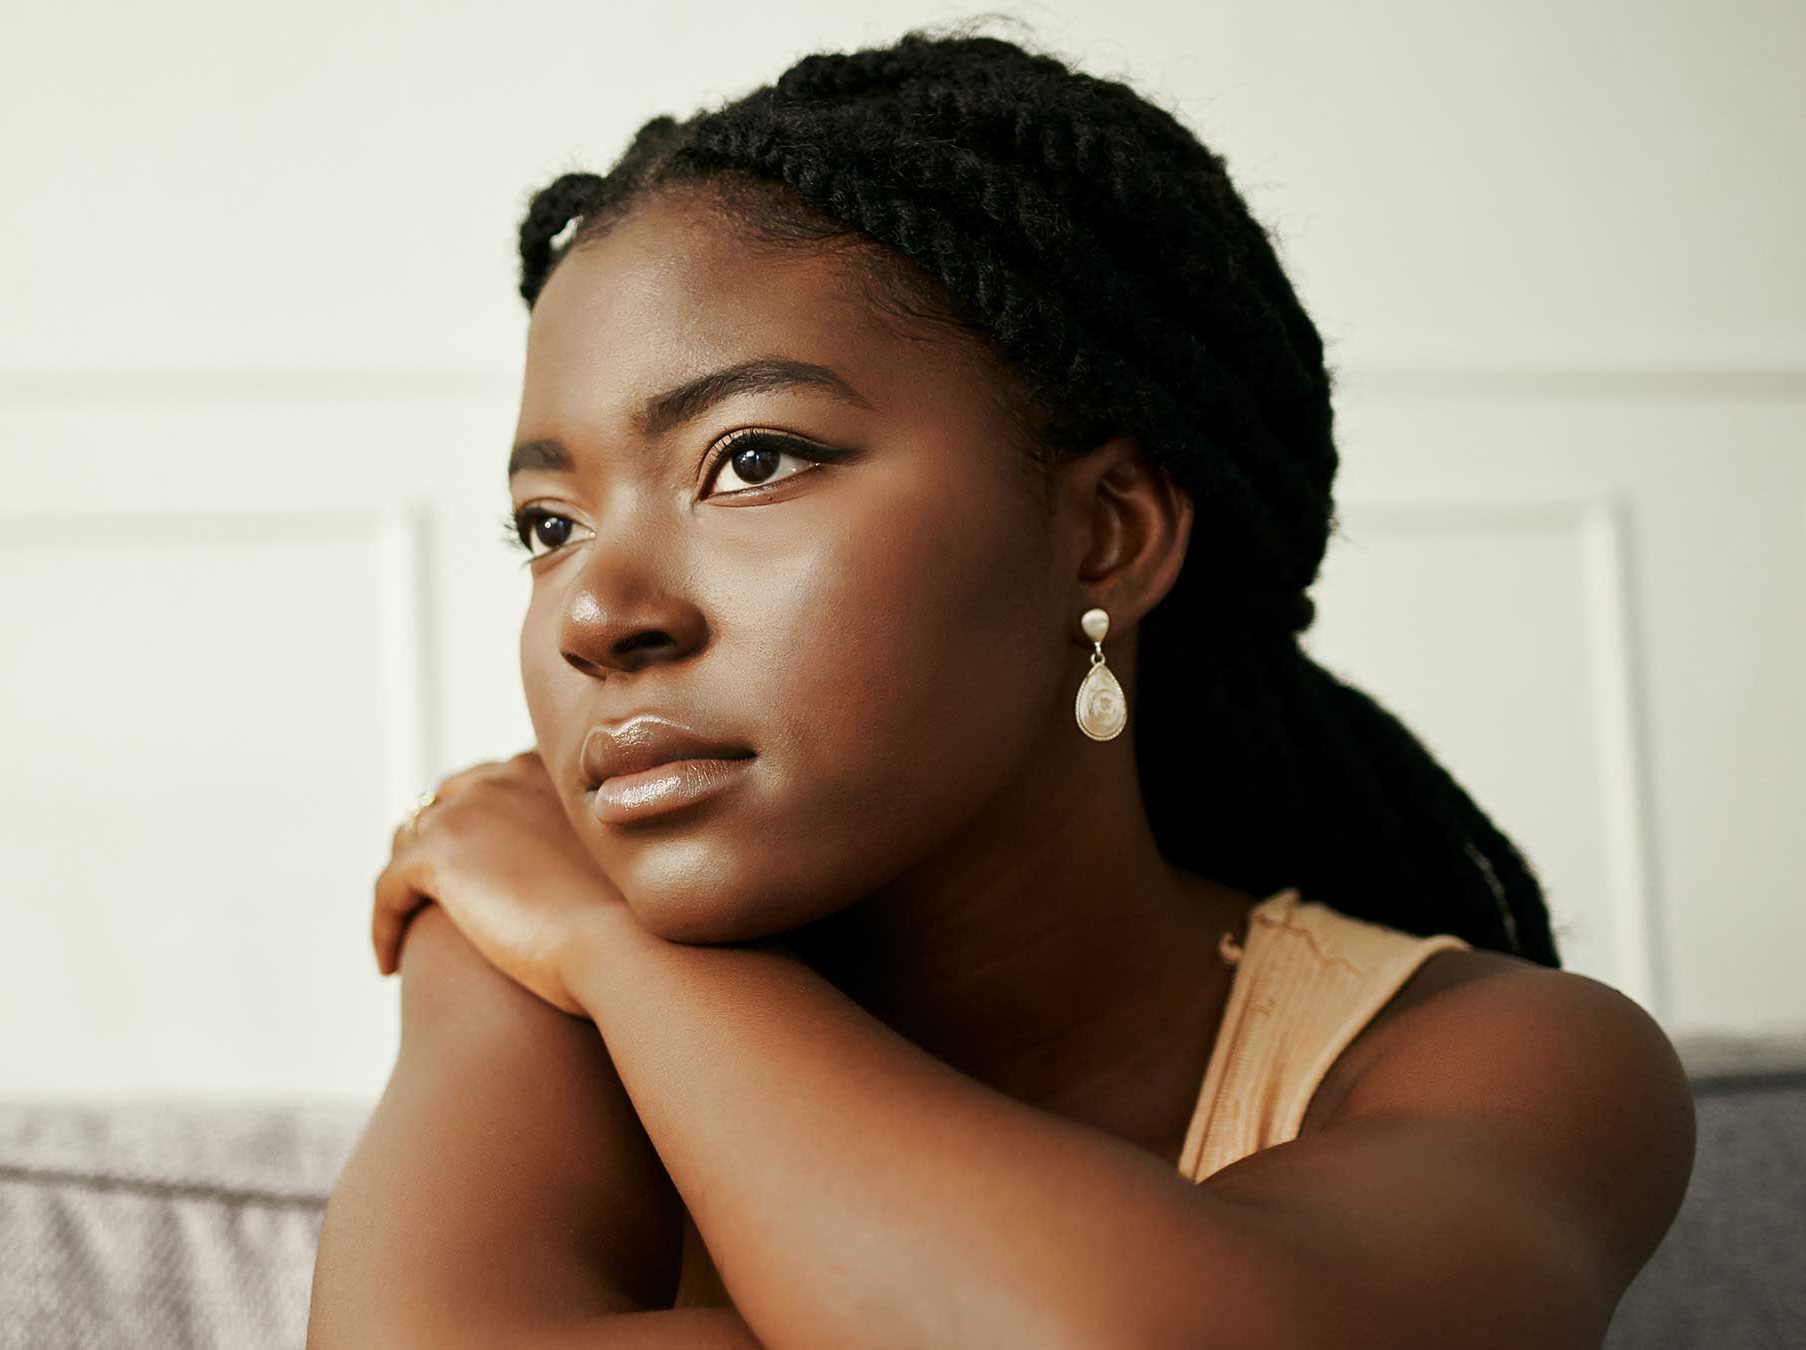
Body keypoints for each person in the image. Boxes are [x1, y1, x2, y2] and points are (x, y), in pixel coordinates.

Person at [308, 19, 1695, 1348]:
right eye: (549, 526)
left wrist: (618, 955)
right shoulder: (514, 967)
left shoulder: (1520, 1064)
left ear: (1107, 534)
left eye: (752, 458)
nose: (598, 612)